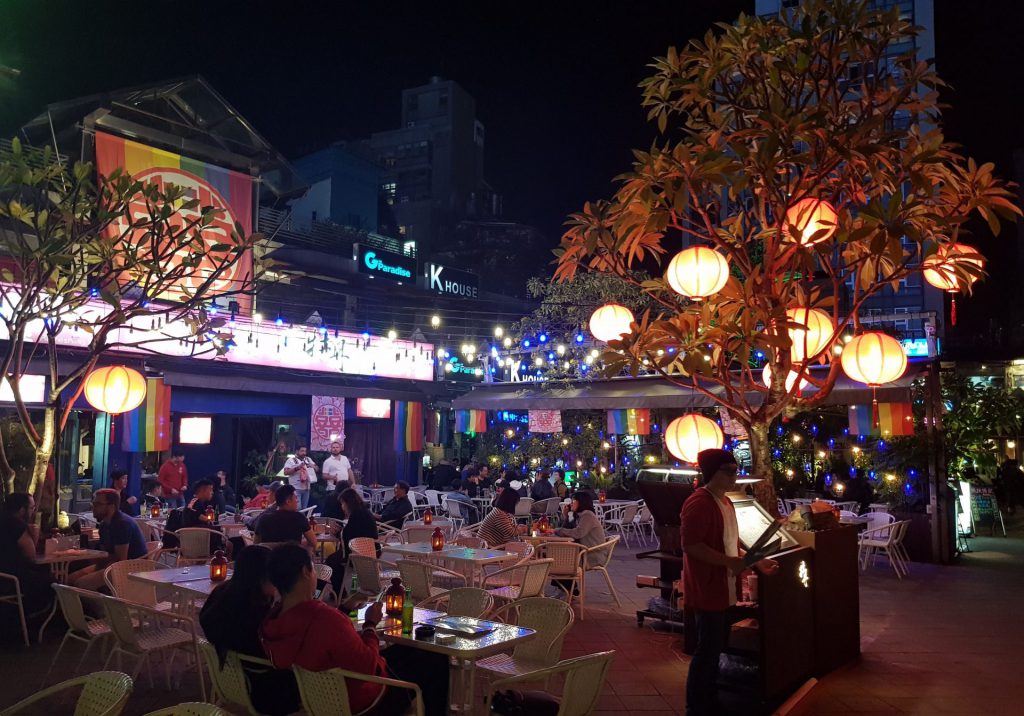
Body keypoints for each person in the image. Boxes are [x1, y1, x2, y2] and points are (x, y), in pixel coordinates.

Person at [260, 544, 449, 716]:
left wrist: (343, 609)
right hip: (365, 701)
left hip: (320, 698)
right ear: (305, 572)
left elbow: (318, 641)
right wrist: (370, 626)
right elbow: (368, 666)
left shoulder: (272, 621)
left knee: (417, 650)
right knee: (435, 658)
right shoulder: (324, 619)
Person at [681, 449, 779, 716]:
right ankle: (697, 705)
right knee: (707, 649)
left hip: (724, 587)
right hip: (708, 588)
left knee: (715, 647)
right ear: (713, 473)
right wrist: (727, 562)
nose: (736, 476)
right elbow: (690, 545)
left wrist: (758, 562)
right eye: (730, 470)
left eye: (736, 469)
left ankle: (708, 698)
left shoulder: (725, 502)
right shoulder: (699, 502)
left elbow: (731, 546)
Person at [199, 545, 300, 716]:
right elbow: (281, 652)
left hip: (232, 682)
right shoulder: (254, 612)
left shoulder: (222, 595)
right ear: (261, 577)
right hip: (268, 691)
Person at [69, 488, 148, 591]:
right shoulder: (104, 525)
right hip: (113, 565)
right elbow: (105, 554)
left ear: (111, 506)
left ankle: (96, 606)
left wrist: (89, 559)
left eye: (98, 504)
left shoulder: (121, 524)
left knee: (80, 584)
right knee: (70, 579)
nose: (93, 507)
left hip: (132, 569)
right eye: (93, 504)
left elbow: (120, 559)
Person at [0, 493, 54, 614]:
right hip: (11, 580)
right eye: (31, 508)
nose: (33, 512)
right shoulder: (16, 525)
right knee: (52, 582)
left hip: (3, 576)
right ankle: (36, 618)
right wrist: (34, 535)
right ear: (21, 509)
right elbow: (31, 556)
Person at [325, 488, 379, 595]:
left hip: (361, 552)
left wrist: (337, 532)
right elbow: (352, 533)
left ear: (348, 503)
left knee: (332, 561)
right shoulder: (362, 512)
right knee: (335, 560)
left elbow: (349, 536)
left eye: (343, 503)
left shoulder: (357, 515)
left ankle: (339, 592)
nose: (342, 507)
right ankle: (339, 591)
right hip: (371, 548)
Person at [283, 446, 318, 510]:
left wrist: (312, 466)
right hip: (296, 488)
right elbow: (285, 472)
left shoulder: (308, 459)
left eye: (305, 451)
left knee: (304, 509)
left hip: (306, 488)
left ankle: (302, 519)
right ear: (297, 451)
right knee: (298, 508)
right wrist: (297, 468)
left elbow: (317, 469)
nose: (304, 453)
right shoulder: (291, 460)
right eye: (302, 451)